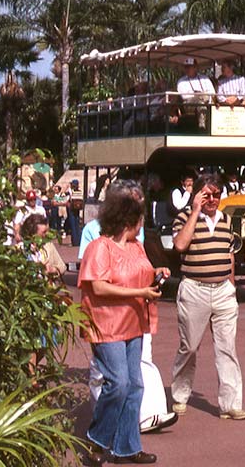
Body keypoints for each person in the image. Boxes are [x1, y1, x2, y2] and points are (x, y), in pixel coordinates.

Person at [78, 179, 168, 465]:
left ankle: (127, 446)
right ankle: (97, 438)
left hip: (133, 322)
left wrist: (157, 273)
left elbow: (140, 273)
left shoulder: (136, 249)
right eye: (140, 219)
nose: (142, 225)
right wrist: (139, 292)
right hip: (107, 324)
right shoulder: (99, 247)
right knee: (118, 383)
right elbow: (99, 287)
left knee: (135, 385)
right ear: (129, 220)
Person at [171, 173, 245, 420]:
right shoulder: (184, 218)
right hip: (195, 288)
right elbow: (180, 245)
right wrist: (194, 211)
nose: (212, 199)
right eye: (207, 195)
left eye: (216, 194)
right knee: (190, 347)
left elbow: (229, 255)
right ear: (198, 195)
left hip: (223, 290)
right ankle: (180, 395)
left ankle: (230, 404)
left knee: (227, 349)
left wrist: (232, 286)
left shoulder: (227, 221)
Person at [21, 213, 66, 279]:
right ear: (32, 233)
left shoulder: (48, 245)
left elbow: (62, 267)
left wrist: (54, 270)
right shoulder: (21, 249)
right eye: (44, 232)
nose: (47, 234)